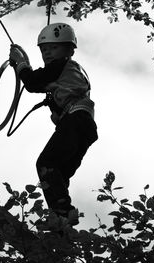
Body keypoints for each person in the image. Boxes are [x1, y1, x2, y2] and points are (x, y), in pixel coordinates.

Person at [9, 23, 98, 219]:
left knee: (46, 163)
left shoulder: (62, 65)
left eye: (53, 48)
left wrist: (21, 62)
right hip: (84, 126)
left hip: (75, 121)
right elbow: (44, 84)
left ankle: (62, 214)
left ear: (69, 49)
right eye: (44, 49)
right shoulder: (70, 73)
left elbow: (32, 82)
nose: (47, 53)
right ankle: (62, 223)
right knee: (58, 175)